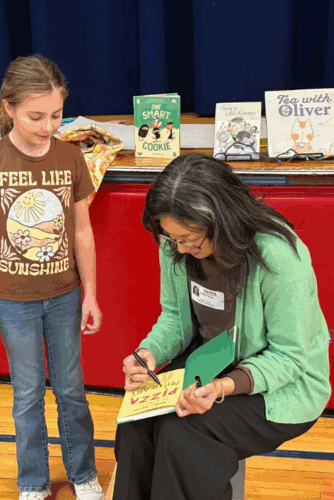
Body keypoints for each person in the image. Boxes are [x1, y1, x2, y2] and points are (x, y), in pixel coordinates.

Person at [114, 153, 329, 500]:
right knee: (136, 423)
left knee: (183, 435)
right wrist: (147, 352)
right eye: (171, 238)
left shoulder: (278, 255)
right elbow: (174, 318)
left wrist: (223, 387)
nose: (179, 248)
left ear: (221, 220)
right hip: (212, 360)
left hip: (282, 382)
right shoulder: (174, 245)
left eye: (189, 239)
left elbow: (290, 357)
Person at [0, 54, 104, 500]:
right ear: (8, 108)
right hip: (11, 299)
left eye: (57, 115)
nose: (48, 126)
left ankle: (83, 474)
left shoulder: (70, 156)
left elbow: (82, 229)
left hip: (64, 294)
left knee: (71, 390)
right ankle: (33, 482)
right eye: (35, 116)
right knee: (26, 395)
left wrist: (91, 295)